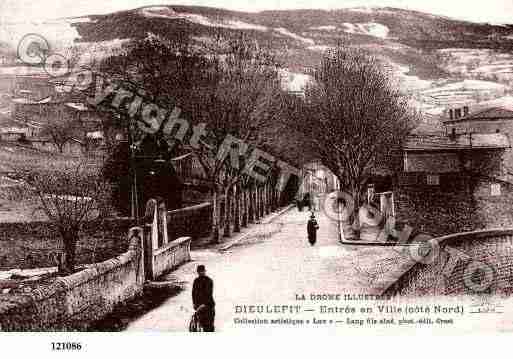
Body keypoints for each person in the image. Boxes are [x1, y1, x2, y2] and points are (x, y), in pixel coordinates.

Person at [192, 265, 215, 332]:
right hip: (199, 307)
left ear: (205, 271)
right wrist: (194, 303)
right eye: (199, 271)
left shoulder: (209, 281)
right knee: (200, 325)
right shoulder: (196, 281)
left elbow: (208, 294)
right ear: (197, 272)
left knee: (208, 327)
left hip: (208, 307)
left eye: (202, 271)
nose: (201, 273)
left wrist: (203, 304)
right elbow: (194, 293)